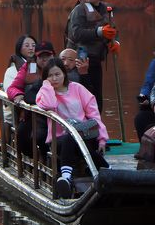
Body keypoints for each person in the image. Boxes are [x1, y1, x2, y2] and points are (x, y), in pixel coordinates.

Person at [36, 58, 109, 198]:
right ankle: (68, 177)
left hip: (84, 134)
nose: (54, 78)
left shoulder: (77, 88)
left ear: (64, 73)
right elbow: (49, 104)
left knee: (77, 138)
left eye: (57, 74)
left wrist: (102, 139)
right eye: (50, 76)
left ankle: (69, 175)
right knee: (71, 136)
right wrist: (47, 86)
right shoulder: (44, 93)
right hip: (60, 139)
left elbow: (94, 114)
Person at [65, 0, 118, 110]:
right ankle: (81, 127)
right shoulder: (79, 10)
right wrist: (99, 32)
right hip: (79, 60)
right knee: (82, 96)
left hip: (96, 60)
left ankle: (97, 126)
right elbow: (76, 34)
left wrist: (114, 42)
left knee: (97, 98)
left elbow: (112, 30)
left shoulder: (107, 10)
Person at [7, 40, 55, 156]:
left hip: (55, 111)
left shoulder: (59, 67)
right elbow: (12, 88)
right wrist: (18, 94)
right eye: (41, 57)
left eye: (47, 56)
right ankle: (34, 158)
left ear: (53, 55)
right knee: (22, 135)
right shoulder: (28, 67)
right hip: (32, 112)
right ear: (35, 57)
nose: (44, 60)